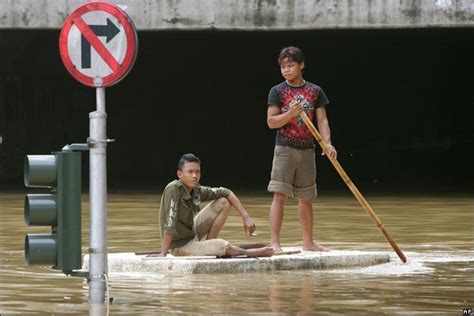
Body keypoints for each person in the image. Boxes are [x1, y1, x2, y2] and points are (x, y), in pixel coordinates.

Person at [266, 46, 337, 253]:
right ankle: (275, 243)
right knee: (279, 194)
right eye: (283, 67)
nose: (286, 70)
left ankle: (308, 243)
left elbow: (322, 121)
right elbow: (271, 122)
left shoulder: (315, 91)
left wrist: (327, 143)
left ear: (301, 65)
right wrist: (290, 113)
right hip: (285, 148)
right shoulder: (277, 91)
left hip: (307, 149)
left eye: (290, 66)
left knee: (306, 197)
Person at [150, 153, 274, 258]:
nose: (195, 176)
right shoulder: (173, 190)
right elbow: (169, 224)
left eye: (197, 172)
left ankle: (208, 244)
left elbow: (226, 192)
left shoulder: (196, 189)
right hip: (179, 246)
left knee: (223, 201)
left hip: (191, 234)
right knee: (222, 245)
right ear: (179, 174)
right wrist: (163, 253)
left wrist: (245, 217)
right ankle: (252, 253)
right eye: (190, 172)